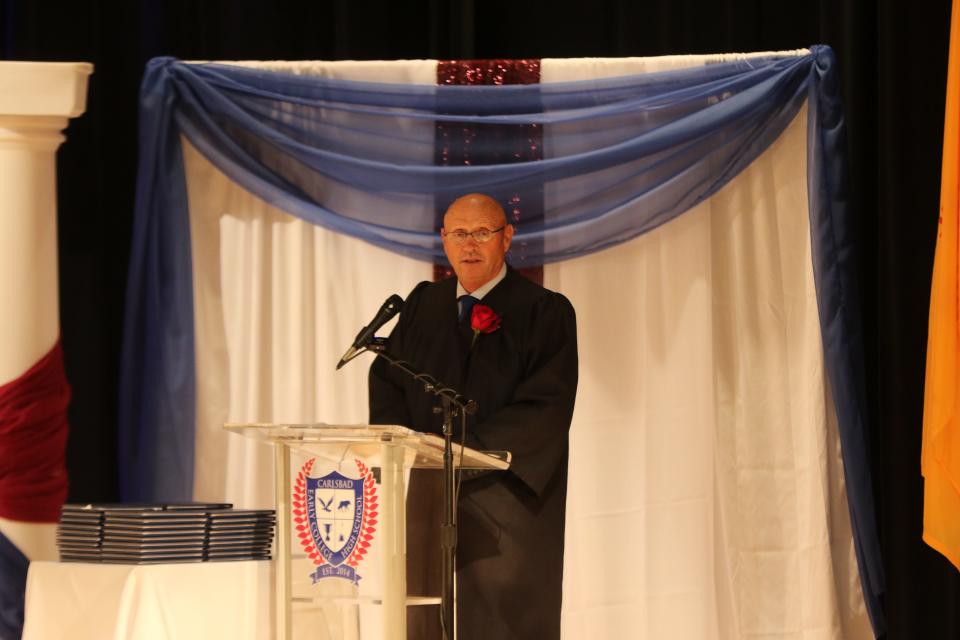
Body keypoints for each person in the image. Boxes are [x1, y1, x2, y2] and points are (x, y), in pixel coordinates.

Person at [369, 193, 578, 639]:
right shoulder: (424, 304)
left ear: (507, 238)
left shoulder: (544, 311)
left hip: (506, 494)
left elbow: (547, 405)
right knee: (426, 608)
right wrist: (401, 446)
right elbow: (387, 377)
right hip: (431, 487)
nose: (470, 244)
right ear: (444, 240)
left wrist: (466, 453)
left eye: (482, 232)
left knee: (503, 617)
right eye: (459, 234)